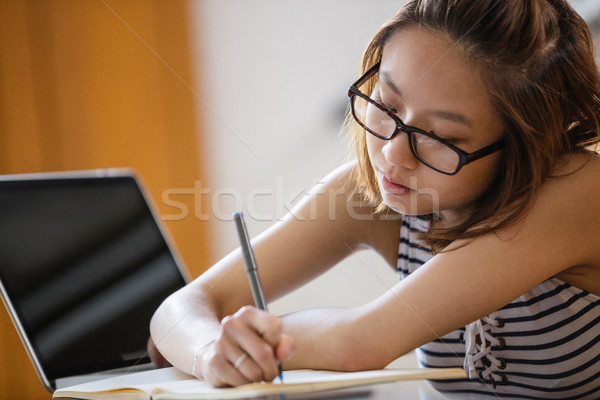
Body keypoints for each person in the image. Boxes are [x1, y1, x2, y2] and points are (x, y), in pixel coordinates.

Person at [150, 0, 600, 397]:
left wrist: (249, 344)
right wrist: (212, 349)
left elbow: (359, 344)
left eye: (439, 135)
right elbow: (182, 308)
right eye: (385, 104)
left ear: (524, 143)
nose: (393, 153)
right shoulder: (375, 194)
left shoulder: (579, 189)